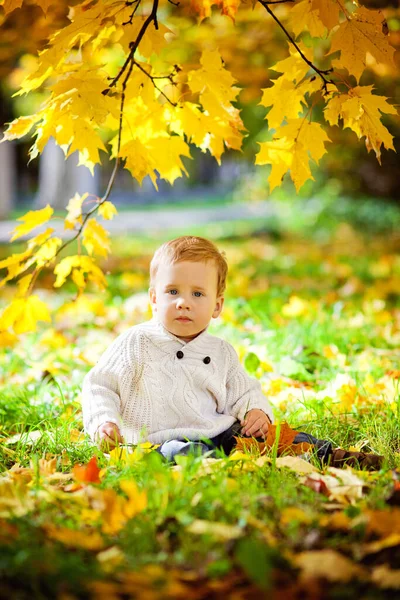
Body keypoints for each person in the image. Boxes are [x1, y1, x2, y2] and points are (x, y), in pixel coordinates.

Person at [81, 236, 383, 470]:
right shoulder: (137, 342)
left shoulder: (221, 351)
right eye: (172, 292)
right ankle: (216, 464)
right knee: (181, 454)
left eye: (197, 294)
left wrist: (256, 412)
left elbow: (244, 390)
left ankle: (331, 455)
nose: (183, 302)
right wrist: (104, 422)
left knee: (276, 437)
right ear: (154, 299)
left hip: (220, 431)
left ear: (217, 306)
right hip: (158, 440)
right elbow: (99, 385)